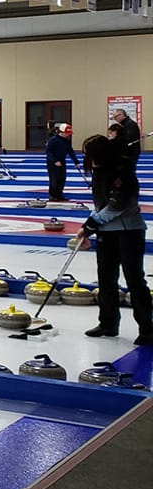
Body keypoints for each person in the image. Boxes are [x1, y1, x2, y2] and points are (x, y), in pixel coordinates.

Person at [78, 134, 151, 344]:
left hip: (129, 231)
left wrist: (90, 225)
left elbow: (118, 205)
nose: (87, 159)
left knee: (134, 279)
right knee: (106, 279)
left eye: (89, 155)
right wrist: (90, 228)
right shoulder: (99, 172)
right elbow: (101, 205)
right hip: (107, 233)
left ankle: (147, 328)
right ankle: (108, 323)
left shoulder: (122, 170)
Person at [44, 123, 79, 202]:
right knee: (54, 179)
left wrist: (76, 161)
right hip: (52, 163)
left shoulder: (66, 141)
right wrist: (55, 161)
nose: (68, 135)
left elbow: (70, 151)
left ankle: (59, 194)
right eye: (67, 133)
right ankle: (53, 195)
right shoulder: (53, 140)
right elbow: (48, 151)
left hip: (62, 161)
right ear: (62, 132)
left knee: (62, 179)